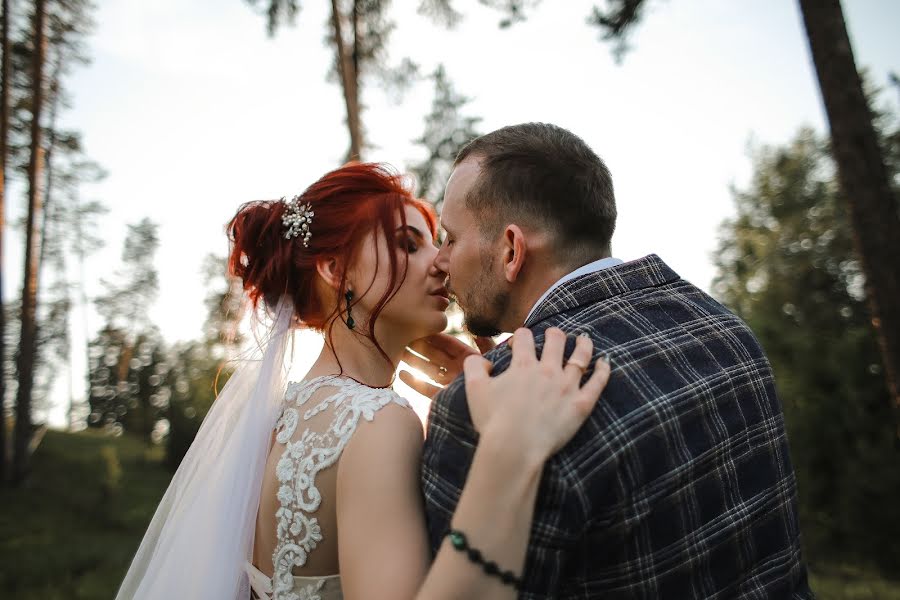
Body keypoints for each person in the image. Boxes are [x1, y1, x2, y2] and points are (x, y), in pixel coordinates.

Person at [115, 162, 611, 600]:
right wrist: (508, 455)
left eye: (437, 244)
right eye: (408, 244)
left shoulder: (281, 418)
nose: (439, 263)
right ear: (335, 270)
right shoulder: (377, 422)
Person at [403, 123, 814, 598]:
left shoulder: (481, 416)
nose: (440, 261)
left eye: (450, 238)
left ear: (511, 250)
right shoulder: (724, 326)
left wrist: (473, 408)